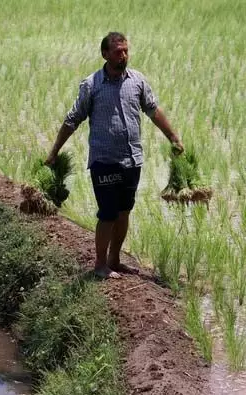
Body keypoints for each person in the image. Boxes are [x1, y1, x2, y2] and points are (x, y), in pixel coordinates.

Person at [46, 31, 184, 279]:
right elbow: (72, 119)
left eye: (126, 51)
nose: (124, 56)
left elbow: (153, 110)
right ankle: (100, 265)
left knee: (124, 212)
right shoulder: (92, 85)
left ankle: (115, 259)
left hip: (132, 159)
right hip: (104, 161)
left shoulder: (137, 81)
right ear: (105, 54)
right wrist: (54, 151)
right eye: (118, 52)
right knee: (107, 213)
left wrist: (173, 137)